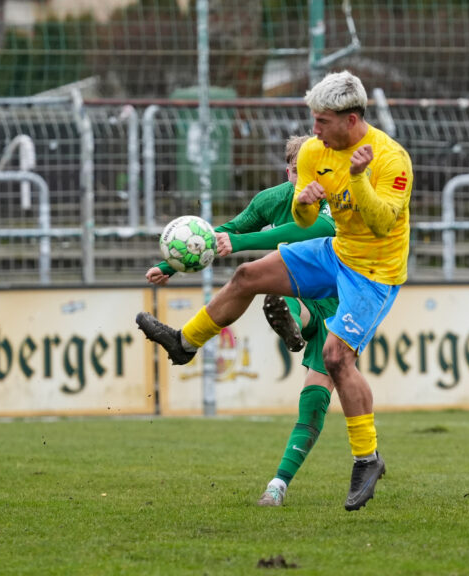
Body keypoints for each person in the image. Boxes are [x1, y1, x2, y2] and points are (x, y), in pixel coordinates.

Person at [137, 70, 413, 511]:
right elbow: (306, 222)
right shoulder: (314, 152)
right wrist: (303, 204)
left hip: (374, 272)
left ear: (352, 119)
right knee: (248, 276)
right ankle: (184, 343)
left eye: (322, 121)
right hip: (336, 253)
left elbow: (381, 224)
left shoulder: (391, 158)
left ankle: (367, 458)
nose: (314, 130)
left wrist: (358, 178)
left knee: (336, 358)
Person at [144, 135, 340, 508]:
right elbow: (226, 233)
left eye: (315, 171)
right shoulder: (273, 199)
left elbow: (311, 230)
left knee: (316, 399)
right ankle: (278, 325)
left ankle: (282, 481)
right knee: (261, 284)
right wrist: (171, 264)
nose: (307, 179)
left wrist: (243, 242)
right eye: (299, 171)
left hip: (342, 303)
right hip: (298, 290)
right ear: (288, 172)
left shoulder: (337, 198)